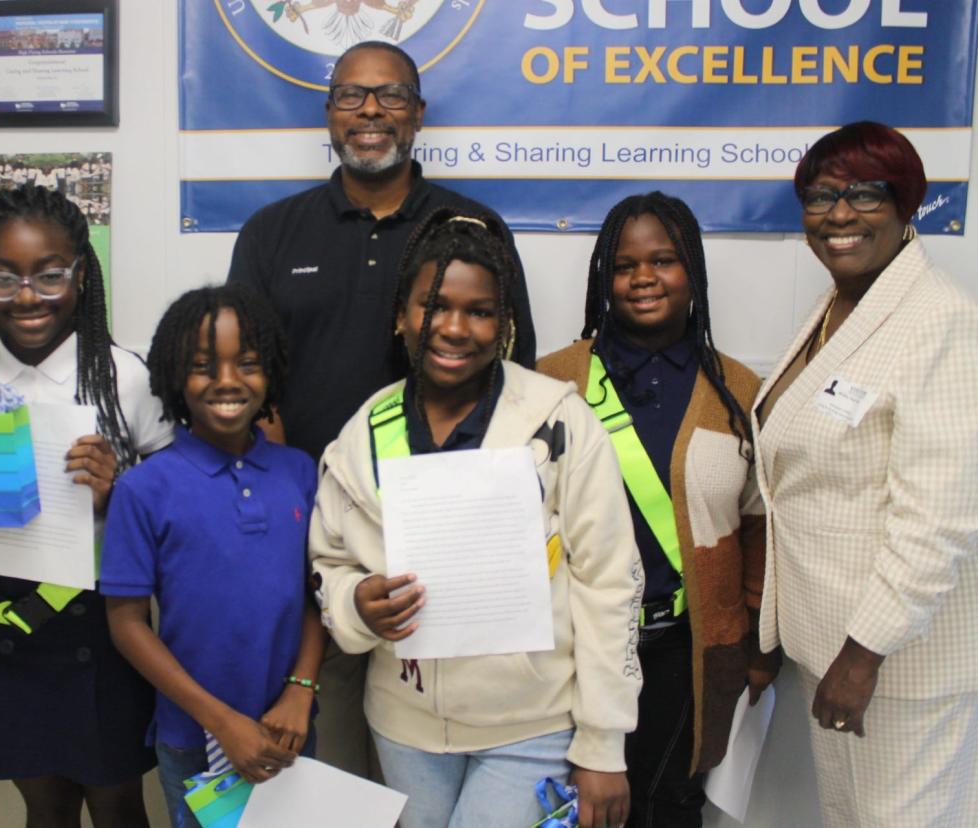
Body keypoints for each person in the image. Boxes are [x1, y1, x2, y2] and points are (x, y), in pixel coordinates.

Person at [227, 39, 537, 777]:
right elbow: (246, 383)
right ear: (328, 115)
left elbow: (511, 385)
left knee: (426, 759)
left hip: (443, 537)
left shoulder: (473, 230)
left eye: (391, 95)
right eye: (352, 96)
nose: (371, 112)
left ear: (419, 114)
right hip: (313, 536)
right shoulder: (273, 232)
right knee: (324, 761)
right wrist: (297, 509)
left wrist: (460, 517)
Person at [310, 207, 643, 828]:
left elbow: (608, 585)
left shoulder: (559, 423)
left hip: (532, 723)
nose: (454, 328)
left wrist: (602, 745)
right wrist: (357, 604)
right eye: (433, 305)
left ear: (505, 322)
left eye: (479, 311)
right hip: (402, 724)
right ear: (401, 315)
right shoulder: (366, 430)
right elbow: (329, 560)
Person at [0, 184, 170, 828]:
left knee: (116, 803)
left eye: (49, 275)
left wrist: (123, 485)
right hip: (9, 626)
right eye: (2, 278)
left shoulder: (125, 378)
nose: (26, 296)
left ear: (81, 275)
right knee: (44, 806)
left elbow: (179, 503)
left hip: (105, 628)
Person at [754, 122, 978, 826]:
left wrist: (864, 653)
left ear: (907, 203)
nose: (839, 215)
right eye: (821, 196)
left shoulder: (939, 322)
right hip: (832, 645)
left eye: (865, 194)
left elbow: (938, 518)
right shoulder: (841, 307)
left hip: (896, 662)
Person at [537, 192, 779, 827]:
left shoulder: (736, 389)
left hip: (686, 652)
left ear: (692, 272)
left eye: (664, 260)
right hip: (575, 649)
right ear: (603, 278)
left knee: (667, 807)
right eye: (624, 265)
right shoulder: (552, 378)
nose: (643, 278)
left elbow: (758, 525)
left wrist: (755, 643)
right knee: (570, 808)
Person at [102, 285, 325, 828]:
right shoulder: (143, 488)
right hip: (194, 736)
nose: (227, 381)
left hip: (288, 727)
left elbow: (317, 595)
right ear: (176, 377)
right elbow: (127, 625)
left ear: (269, 371)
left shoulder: (299, 472)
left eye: (247, 363)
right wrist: (222, 722)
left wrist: (301, 690)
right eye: (204, 366)